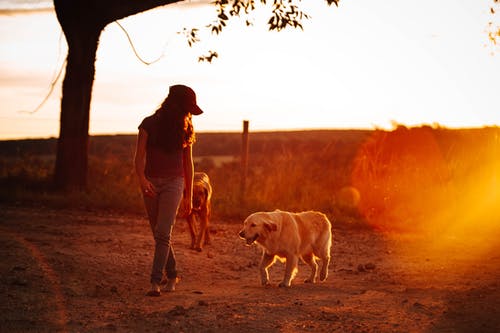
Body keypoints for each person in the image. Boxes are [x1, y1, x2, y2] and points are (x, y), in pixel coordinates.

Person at [134, 84, 203, 296]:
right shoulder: (148, 124)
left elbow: (188, 164)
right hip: (151, 183)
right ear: (176, 105)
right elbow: (139, 157)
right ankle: (172, 274)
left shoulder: (186, 127)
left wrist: (188, 196)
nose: (190, 113)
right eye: (187, 108)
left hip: (175, 183)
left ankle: (155, 282)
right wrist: (142, 179)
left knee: (163, 232)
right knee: (159, 234)